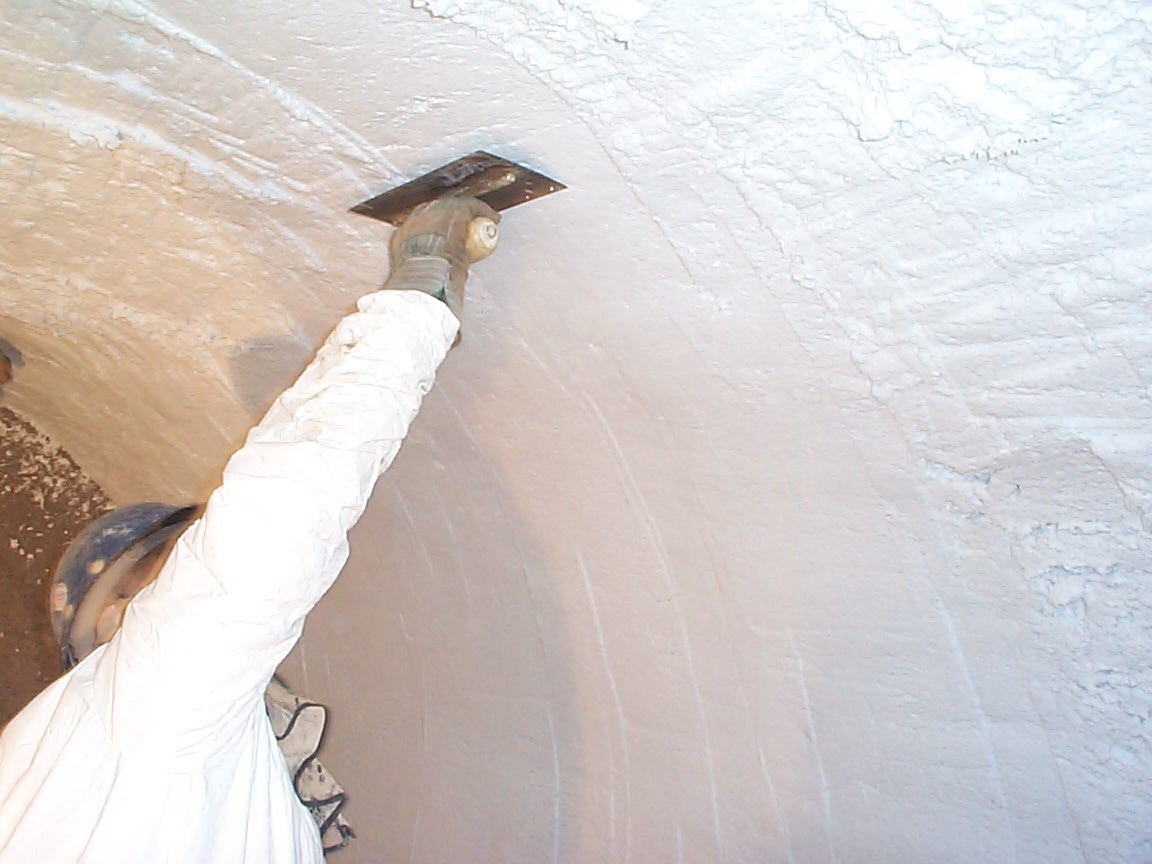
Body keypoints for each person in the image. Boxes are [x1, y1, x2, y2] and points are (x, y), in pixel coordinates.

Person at [0, 196, 501, 862]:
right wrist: (419, 292)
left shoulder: (142, 730)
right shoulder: (145, 726)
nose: (186, 576)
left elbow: (255, 549)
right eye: (167, 567)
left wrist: (414, 310)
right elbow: (271, 527)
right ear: (110, 618)